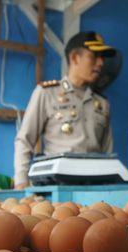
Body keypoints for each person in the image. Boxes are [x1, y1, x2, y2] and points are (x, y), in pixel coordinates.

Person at [14, 31, 116, 189]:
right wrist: (21, 182)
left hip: (93, 187)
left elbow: (107, 151)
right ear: (75, 57)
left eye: (102, 57)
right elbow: (24, 140)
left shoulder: (102, 103)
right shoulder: (47, 93)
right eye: (94, 56)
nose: (101, 63)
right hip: (57, 186)